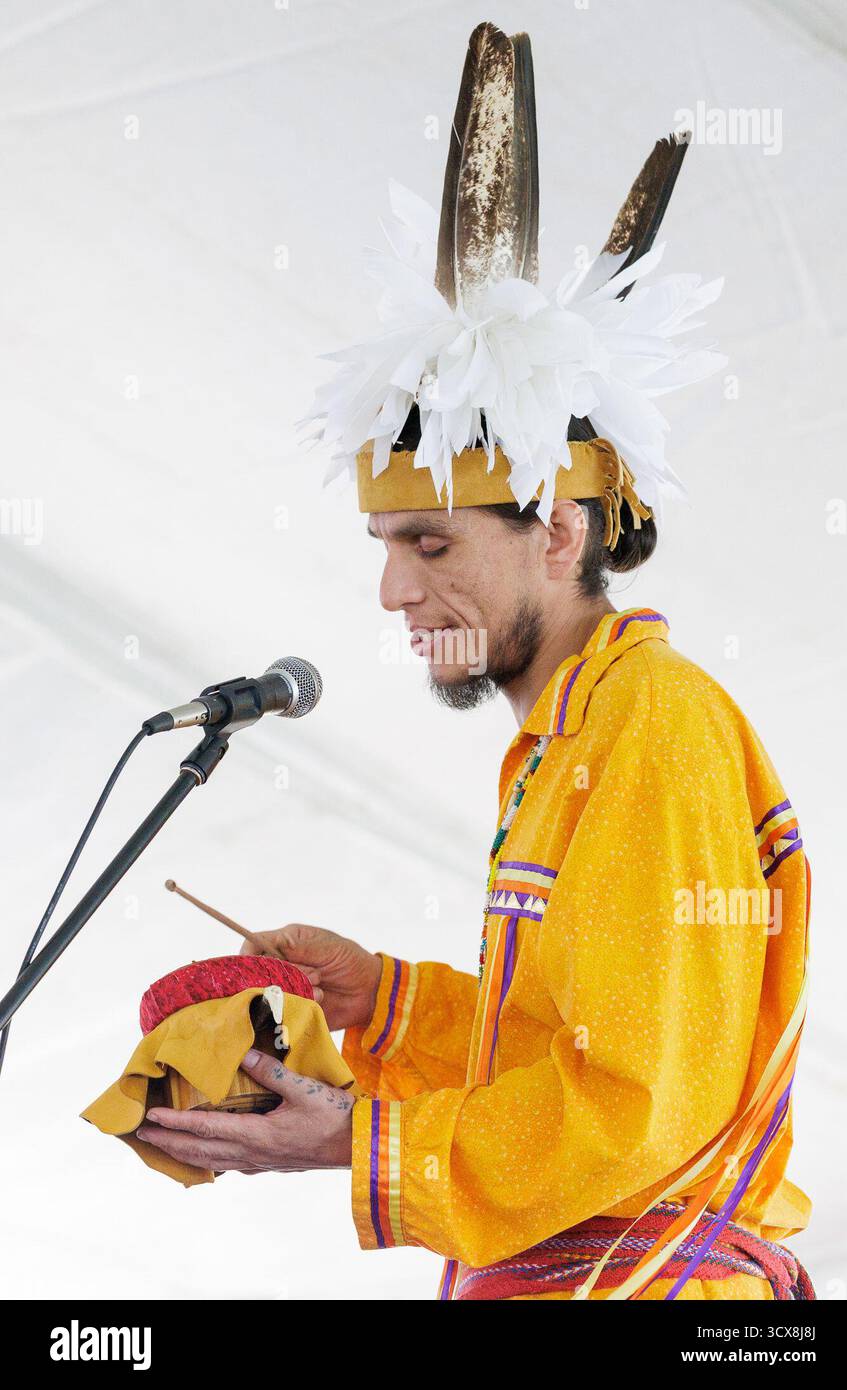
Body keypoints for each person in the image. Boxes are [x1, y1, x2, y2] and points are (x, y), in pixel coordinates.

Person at [137, 22, 812, 1301]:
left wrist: (356, 1142)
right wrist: (385, 1002)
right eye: (384, 543)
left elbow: (634, 1108)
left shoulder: (650, 726)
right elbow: (562, 1053)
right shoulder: (567, 737)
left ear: (558, 530)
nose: (393, 589)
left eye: (429, 541)